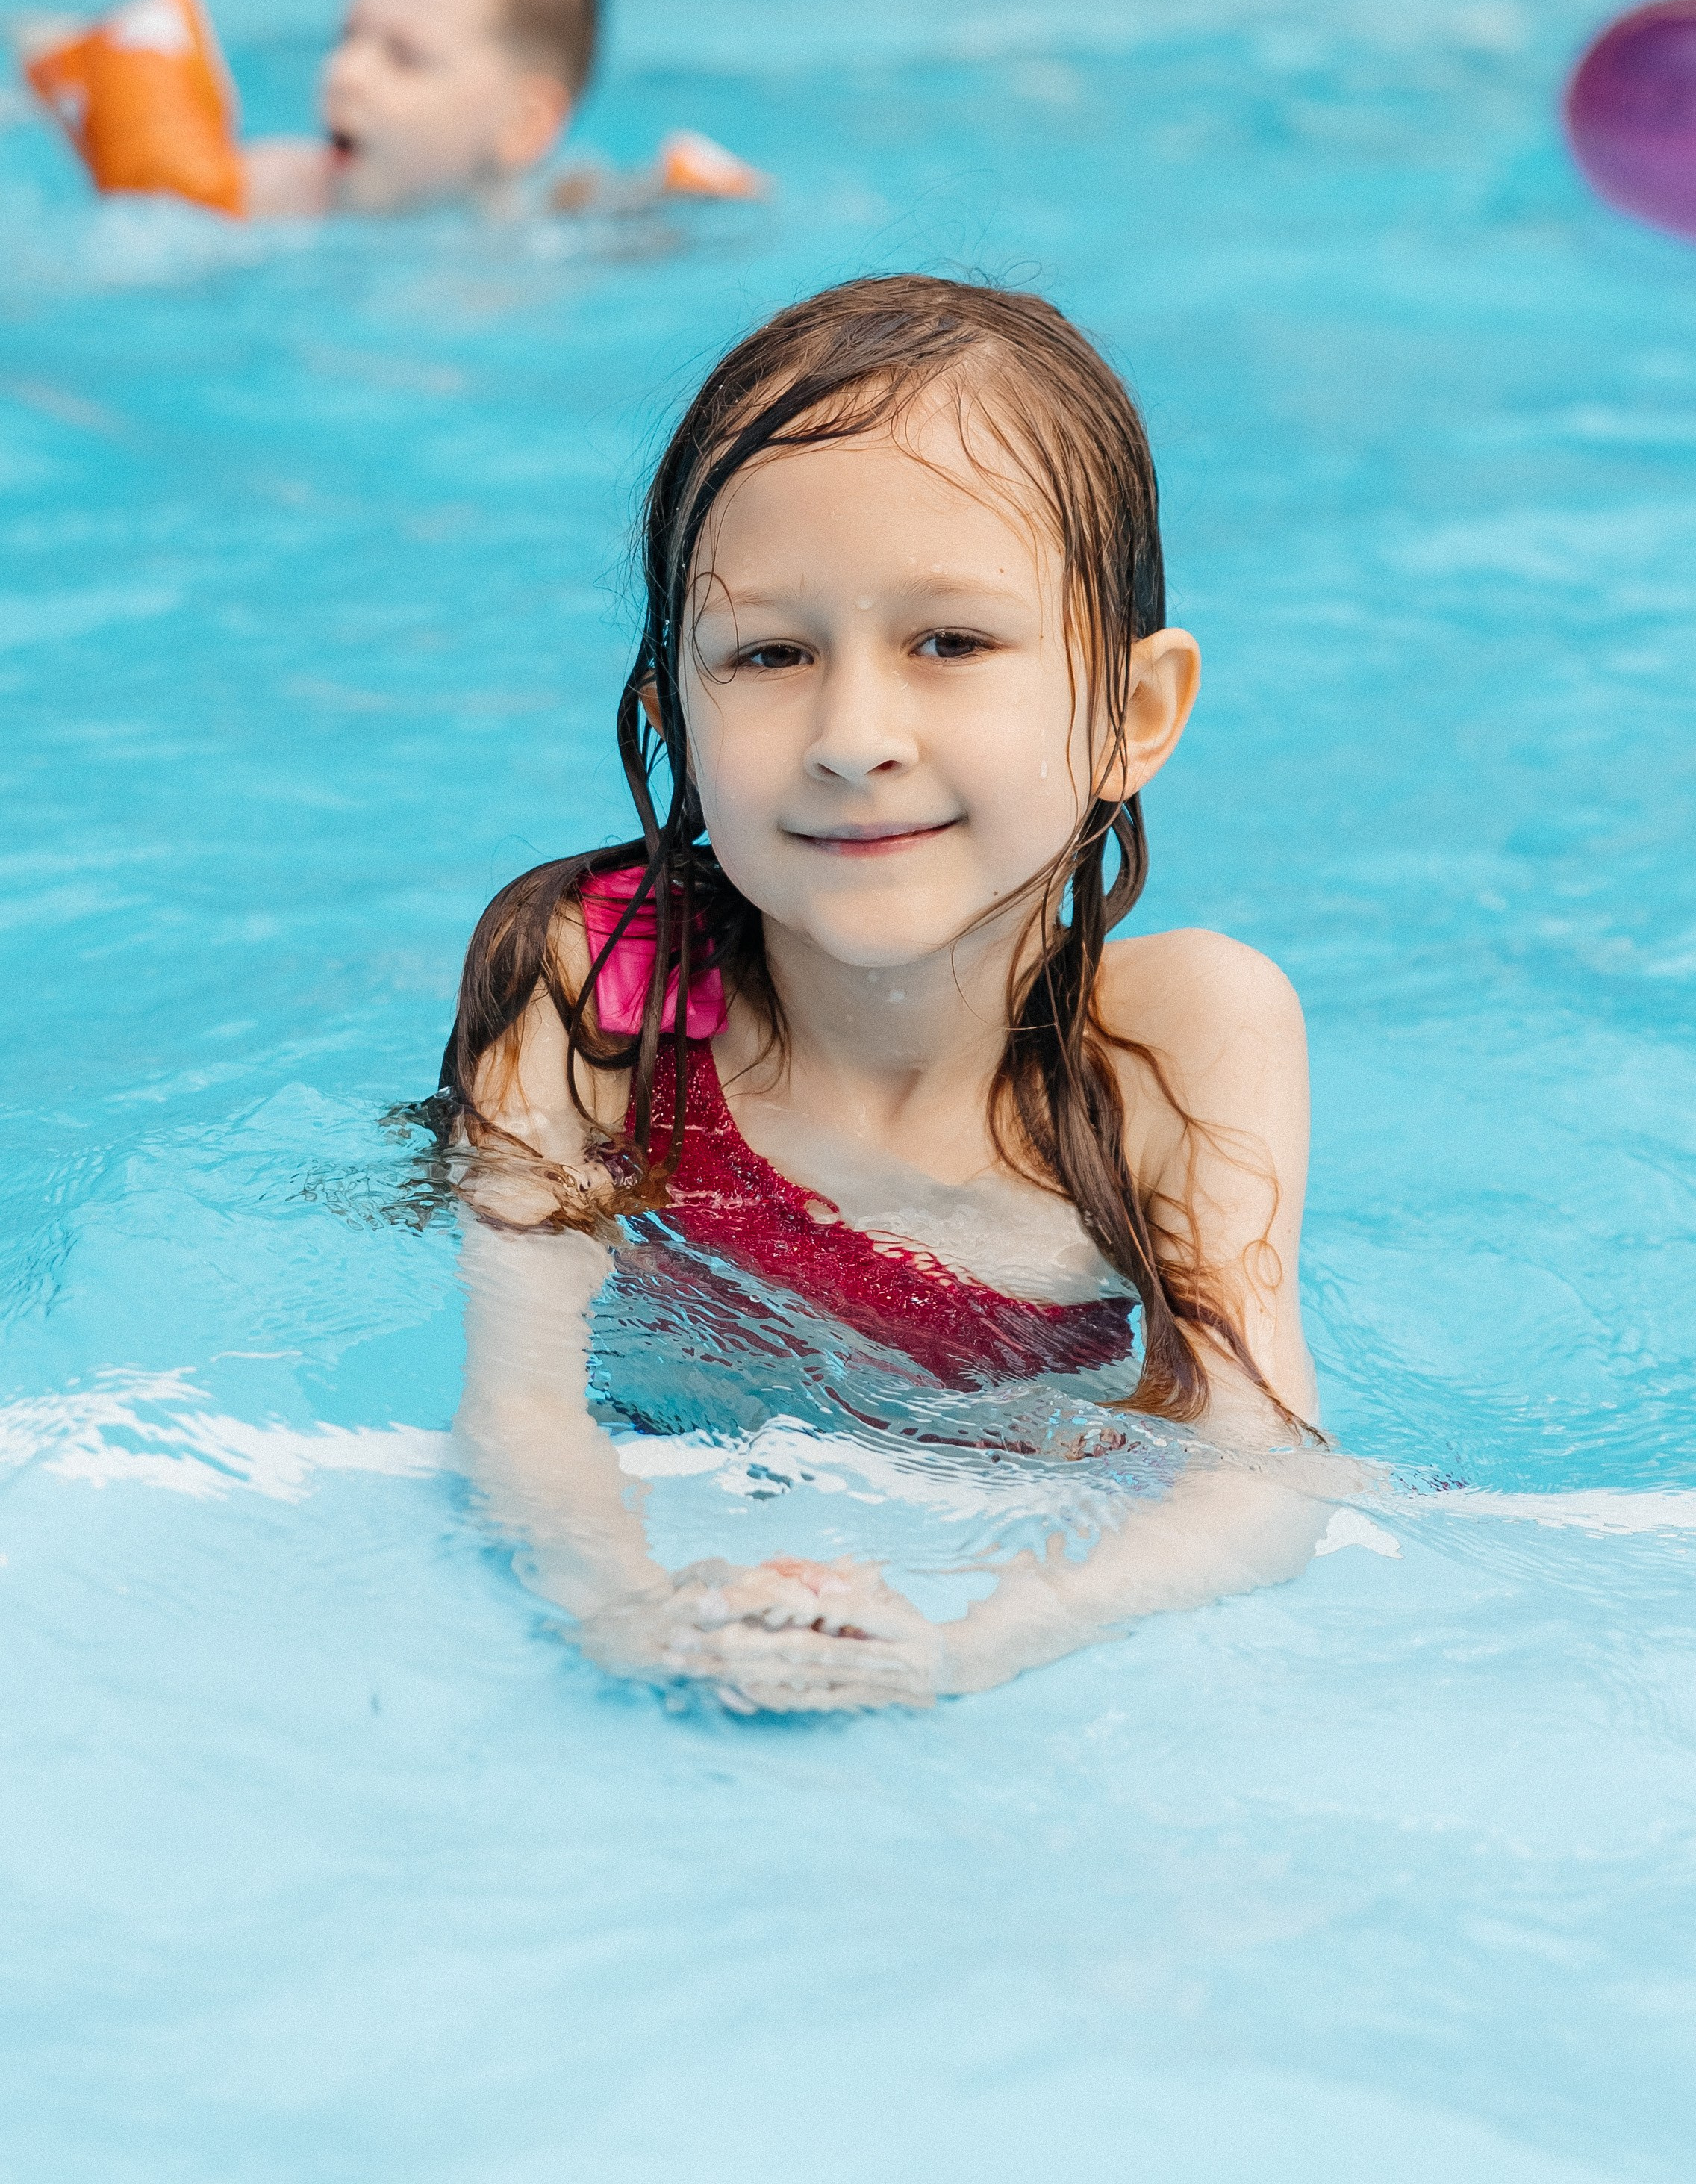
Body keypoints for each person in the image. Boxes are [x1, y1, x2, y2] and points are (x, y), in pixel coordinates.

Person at [440, 273, 1341, 1714]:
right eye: (770, 654)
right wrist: (631, 1611)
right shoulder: (593, 983)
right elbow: (519, 1406)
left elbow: (1258, 1479)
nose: (855, 736)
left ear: (1133, 713)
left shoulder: (1174, 1040)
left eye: (950, 641)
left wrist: (969, 1644)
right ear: (675, 717)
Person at [243, 0, 759, 219]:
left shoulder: (556, 235)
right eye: (347, 36)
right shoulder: (281, 192)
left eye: (403, 56)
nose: (345, 74)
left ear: (522, 124)